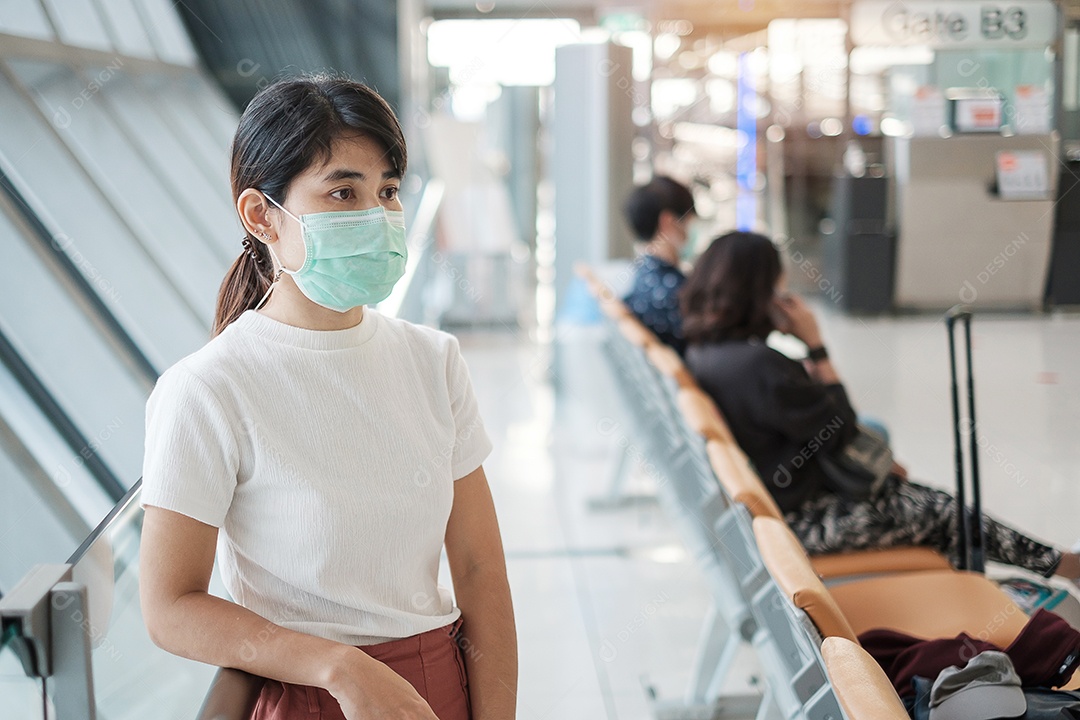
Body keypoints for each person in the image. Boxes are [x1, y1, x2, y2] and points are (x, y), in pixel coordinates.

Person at [138, 75, 517, 720]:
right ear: (262, 217)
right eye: (343, 192)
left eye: (388, 191)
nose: (376, 216)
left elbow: (480, 570)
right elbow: (170, 606)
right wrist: (335, 664)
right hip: (305, 693)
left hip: (438, 685)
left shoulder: (433, 361)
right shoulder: (208, 388)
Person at [680, 230, 1080, 581]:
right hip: (806, 521)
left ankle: (1043, 569)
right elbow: (839, 427)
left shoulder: (706, 352)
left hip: (780, 507)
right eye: (778, 292)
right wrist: (816, 348)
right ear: (761, 295)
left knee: (925, 501)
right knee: (942, 511)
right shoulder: (760, 366)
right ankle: (1062, 567)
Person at [622, 176, 696, 354]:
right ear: (668, 222)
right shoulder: (676, 291)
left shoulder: (643, 274)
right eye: (689, 221)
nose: (692, 230)